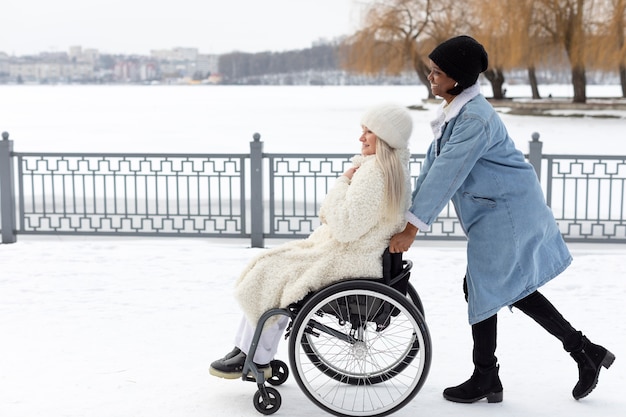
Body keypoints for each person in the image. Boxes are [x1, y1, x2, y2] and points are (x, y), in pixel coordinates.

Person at [389, 35, 615, 403]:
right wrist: (403, 213)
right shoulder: (455, 114)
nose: (430, 76)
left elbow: (449, 172)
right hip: (497, 210)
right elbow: (433, 167)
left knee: (484, 288)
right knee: (494, 288)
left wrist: (412, 227)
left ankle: (488, 376)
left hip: (507, 212)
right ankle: (580, 351)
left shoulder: (474, 118)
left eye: (438, 72)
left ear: (458, 80)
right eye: (431, 69)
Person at [210, 103, 414, 379]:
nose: (361, 137)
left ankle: (255, 356)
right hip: (357, 253)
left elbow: (344, 226)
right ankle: (246, 348)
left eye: (368, 132)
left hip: (349, 257)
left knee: (272, 272)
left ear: (386, 138)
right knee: (270, 266)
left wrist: (341, 183)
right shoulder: (386, 169)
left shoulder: (374, 174)